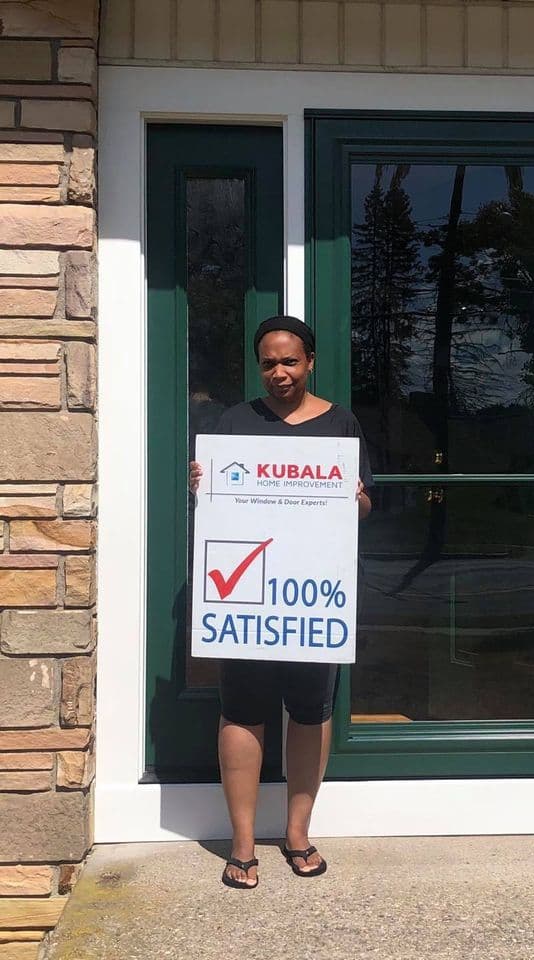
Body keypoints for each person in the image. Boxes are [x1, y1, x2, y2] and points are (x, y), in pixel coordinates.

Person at [189, 315, 372, 890]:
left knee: (311, 712)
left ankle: (297, 832)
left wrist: (354, 497)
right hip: (248, 600)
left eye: (290, 361)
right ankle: (242, 842)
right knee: (242, 711)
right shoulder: (235, 422)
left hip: (313, 598)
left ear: (310, 361)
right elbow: (217, 507)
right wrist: (204, 486)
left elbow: (363, 507)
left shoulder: (341, 423)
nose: (280, 372)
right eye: (269, 362)